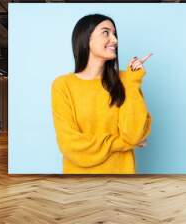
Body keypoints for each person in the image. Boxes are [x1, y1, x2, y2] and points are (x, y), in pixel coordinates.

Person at [51, 14, 152, 174]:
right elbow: (70, 144)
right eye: (106, 32)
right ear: (86, 39)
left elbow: (134, 134)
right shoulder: (63, 85)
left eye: (114, 34)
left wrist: (133, 81)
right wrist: (122, 143)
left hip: (122, 183)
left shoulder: (128, 80)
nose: (115, 40)